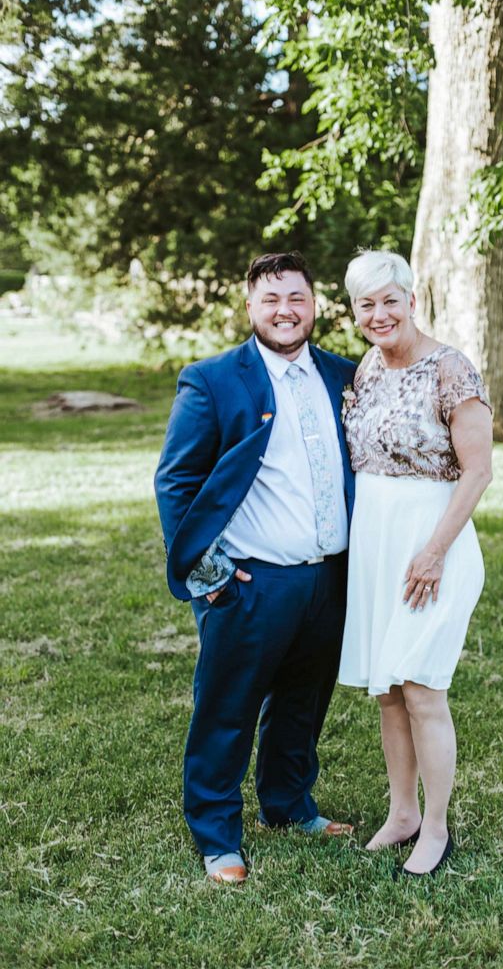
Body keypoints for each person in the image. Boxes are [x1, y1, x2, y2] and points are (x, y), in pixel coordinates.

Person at [154, 251, 356, 884]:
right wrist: (209, 575)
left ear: (314, 304)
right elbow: (176, 480)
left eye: (296, 297)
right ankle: (217, 834)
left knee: (303, 702)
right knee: (228, 708)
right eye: (270, 299)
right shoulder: (212, 380)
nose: (284, 311)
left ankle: (289, 805)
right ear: (250, 307)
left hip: (328, 577)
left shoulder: (346, 375)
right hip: (250, 579)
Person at [338, 250, 493, 878]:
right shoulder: (367, 371)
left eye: (389, 300)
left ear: (410, 298)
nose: (379, 314)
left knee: (423, 687)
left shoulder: (449, 368)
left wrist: (433, 551)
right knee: (389, 692)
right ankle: (401, 812)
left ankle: (435, 827)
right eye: (365, 304)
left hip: (435, 542)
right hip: (378, 544)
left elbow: (478, 470)